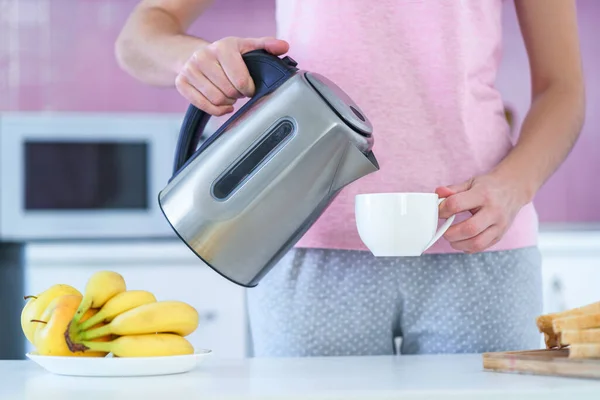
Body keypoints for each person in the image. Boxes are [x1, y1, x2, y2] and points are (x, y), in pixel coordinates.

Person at [115, 0, 585, 357]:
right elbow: (139, 36)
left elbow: (562, 86)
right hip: (305, 246)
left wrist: (515, 185)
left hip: (481, 243)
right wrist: (196, 61)